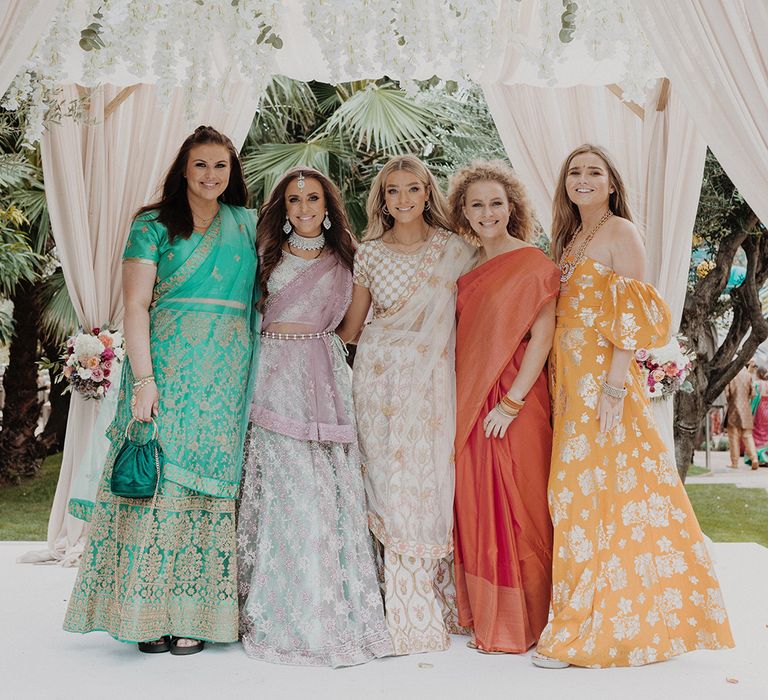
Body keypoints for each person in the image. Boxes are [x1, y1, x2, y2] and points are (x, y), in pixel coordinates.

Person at [533, 144, 734, 669]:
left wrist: (616, 387)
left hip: (603, 382)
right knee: (577, 497)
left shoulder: (621, 231)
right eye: (574, 171)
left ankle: (592, 627)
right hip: (570, 381)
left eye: (593, 171)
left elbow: (633, 313)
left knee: (598, 497)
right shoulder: (571, 236)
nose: (582, 179)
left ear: (611, 183)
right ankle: (585, 611)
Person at [63, 126, 259, 655]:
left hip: (225, 375)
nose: (211, 175)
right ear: (184, 169)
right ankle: (144, 614)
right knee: (156, 485)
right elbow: (135, 308)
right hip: (165, 371)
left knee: (208, 490)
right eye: (201, 165)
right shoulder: (152, 225)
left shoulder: (247, 224)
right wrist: (145, 380)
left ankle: (195, 614)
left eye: (221, 166)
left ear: (232, 172)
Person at [237, 168, 392, 667]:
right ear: (283, 207)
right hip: (269, 380)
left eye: (314, 198)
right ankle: (282, 607)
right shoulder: (262, 256)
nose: (304, 207)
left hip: (323, 378)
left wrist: (322, 353)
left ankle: (329, 605)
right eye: (294, 199)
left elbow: (350, 329)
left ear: (329, 205)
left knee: (325, 490)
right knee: (287, 490)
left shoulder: (348, 256)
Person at [338, 155, 474, 655]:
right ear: (382, 199)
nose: (403, 200)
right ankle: (389, 601)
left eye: (412, 189)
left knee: (427, 476)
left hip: (433, 381)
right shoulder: (369, 253)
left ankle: (433, 598)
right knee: (385, 482)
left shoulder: (456, 249)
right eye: (392, 191)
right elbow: (353, 327)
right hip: (376, 381)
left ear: (426, 193)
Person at [447, 161, 559, 654]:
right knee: (476, 503)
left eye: (496, 203)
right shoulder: (466, 266)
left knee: (525, 505)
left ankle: (531, 619)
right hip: (470, 401)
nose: (487, 212)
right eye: (477, 205)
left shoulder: (534, 262)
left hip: (517, 401)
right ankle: (492, 617)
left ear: (512, 207)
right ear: (463, 213)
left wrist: (512, 404)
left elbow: (543, 335)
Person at [725, 362, 759, 469]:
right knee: (748, 436)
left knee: (733, 437)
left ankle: (734, 463)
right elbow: (753, 394)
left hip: (733, 410)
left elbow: (727, 394)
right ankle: (754, 459)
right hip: (746, 410)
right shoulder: (748, 375)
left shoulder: (731, 376)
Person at [747, 366, 768, 466]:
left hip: (759, 411)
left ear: (758, 374)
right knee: (766, 434)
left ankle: (760, 457)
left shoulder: (756, 384)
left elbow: (752, 398)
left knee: (757, 434)